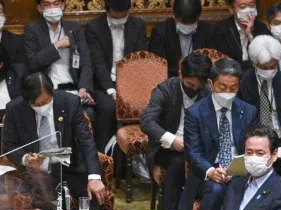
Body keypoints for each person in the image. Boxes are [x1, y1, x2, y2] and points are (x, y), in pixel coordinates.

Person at [3, 72, 105, 210]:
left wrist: (94, 177)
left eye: (45, 102)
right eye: (35, 104)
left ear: (53, 93)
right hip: (36, 170)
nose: (41, 107)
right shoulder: (15, 109)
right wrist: (26, 158)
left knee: (91, 194)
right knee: (45, 197)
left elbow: (86, 141)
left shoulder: (70, 102)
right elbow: (9, 145)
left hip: (68, 166)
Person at [181, 57, 258, 210]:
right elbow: (193, 152)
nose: (228, 93)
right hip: (208, 170)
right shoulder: (195, 113)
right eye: (222, 88)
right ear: (211, 83)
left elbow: (253, 144)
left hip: (240, 168)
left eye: (233, 88)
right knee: (216, 190)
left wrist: (244, 166)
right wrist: (210, 171)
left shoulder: (248, 111)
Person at [141, 52, 211, 210]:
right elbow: (147, 122)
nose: (194, 89)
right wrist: (172, 140)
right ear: (181, 75)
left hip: (198, 147)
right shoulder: (165, 89)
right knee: (178, 162)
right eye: (190, 85)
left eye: (198, 86)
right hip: (167, 147)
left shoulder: (207, 91)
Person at [84, 0, 148, 151]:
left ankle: (140, 159)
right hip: (104, 84)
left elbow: (138, 60)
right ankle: (105, 156)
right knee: (108, 107)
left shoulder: (138, 25)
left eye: (123, 16)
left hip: (132, 81)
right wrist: (112, 91)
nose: (119, 20)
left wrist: (127, 88)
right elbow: (97, 64)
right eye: (115, 17)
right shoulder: (94, 27)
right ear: (106, 10)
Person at [24, 0, 95, 131]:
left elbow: (86, 62)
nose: (52, 8)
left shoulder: (74, 28)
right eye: (47, 4)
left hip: (74, 89)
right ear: (39, 8)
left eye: (56, 3)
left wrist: (84, 88)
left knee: (89, 114)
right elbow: (32, 63)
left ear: (63, 6)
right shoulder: (32, 29)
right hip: (49, 90)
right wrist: (56, 46)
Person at [237, 36, 281, 144]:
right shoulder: (243, 82)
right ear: (254, 64)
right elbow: (240, 115)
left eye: (273, 66)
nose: (269, 71)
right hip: (253, 138)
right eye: (264, 67)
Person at [148, 0, 213, 78]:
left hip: (201, 82)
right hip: (170, 83)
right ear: (173, 14)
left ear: (198, 16)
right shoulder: (160, 33)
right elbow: (157, 68)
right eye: (183, 22)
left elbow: (212, 65)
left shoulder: (209, 31)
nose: (187, 27)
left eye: (191, 23)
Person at [211, 0, 270, 69]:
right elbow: (223, 63)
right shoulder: (221, 29)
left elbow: (266, 60)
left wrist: (250, 36)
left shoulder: (262, 29)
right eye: (242, 7)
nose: (248, 10)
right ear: (231, 10)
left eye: (251, 5)